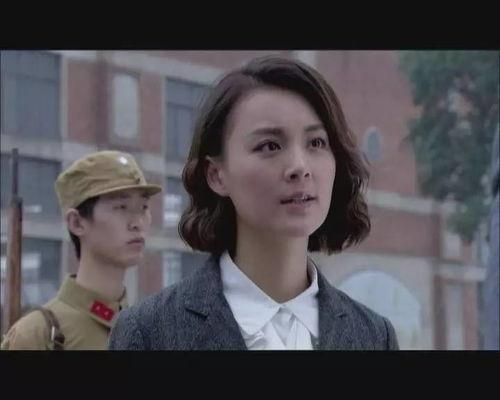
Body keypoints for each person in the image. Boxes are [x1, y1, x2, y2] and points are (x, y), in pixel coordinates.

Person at [109, 56, 399, 350]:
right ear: (217, 175)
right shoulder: (150, 332)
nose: (300, 166)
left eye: (316, 143)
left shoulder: (374, 336)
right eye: (270, 146)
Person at [1, 150, 161, 350]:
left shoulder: (153, 333)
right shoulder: (37, 336)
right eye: (121, 207)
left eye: (144, 207)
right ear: (76, 222)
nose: (137, 223)